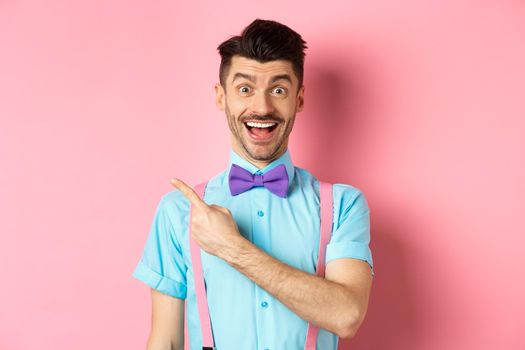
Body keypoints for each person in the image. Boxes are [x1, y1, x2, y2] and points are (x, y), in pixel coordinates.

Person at [132, 18, 374, 350]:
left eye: (278, 90)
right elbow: (166, 341)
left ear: (299, 100)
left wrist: (231, 248)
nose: (261, 107)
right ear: (221, 97)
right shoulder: (178, 212)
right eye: (245, 89)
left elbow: (346, 315)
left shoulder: (343, 206)